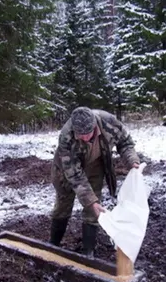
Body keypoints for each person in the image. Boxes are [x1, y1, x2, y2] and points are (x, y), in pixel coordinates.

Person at [49, 106, 140, 257]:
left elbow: (125, 143)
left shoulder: (109, 123)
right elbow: (75, 175)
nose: (84, 138)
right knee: (63, 204)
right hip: (66, 170)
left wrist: (132, 161)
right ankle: (53, 244)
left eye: (88, 134)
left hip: (96, 164)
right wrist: (89, 200)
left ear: (95, 126)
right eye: (80, 135)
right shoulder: (66, 136)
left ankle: (88, 251)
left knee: (94, 208)